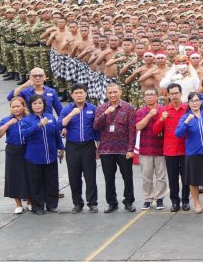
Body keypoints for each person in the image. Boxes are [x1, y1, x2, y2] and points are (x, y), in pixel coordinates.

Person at [93, 82, 138, 213]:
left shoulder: (129, 108)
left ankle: (129, 201)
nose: (112, 95)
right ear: (106, 94)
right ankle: (112, 203)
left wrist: (131, 149)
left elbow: (132, 130)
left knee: (127, 177)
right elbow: (96, 126)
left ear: (120, 92)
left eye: (115, 92)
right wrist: (106, 113)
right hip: (106, 149)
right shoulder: (101, 108)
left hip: (124, 149)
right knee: (109, 178)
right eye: (110, 92)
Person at [20, 94, 63, 214]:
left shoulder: (50, 117)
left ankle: (52, 205)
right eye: (35, 103)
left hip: (50, 155)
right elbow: (25, 134)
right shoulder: (26, 120)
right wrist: (39, 125)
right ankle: (38, 206)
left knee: (52, 181)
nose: (38, 105)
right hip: (34, 157)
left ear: (44, 104)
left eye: (40, 103)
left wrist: (61, 148)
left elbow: (56, 134)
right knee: (36, 182)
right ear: (30, 106)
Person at [60, 83, 99, 213]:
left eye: (81, 92)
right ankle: (77, 203)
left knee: (90, 175)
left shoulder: (93, 108)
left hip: (88, 146)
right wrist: (71, 114)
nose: (79, 95)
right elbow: (59, 125)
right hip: (72, 147)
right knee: (74, 176)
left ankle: (92, 203)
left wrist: (98, 148)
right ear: (72, 95)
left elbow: (97, 129)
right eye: (76, 93)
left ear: (86, 94)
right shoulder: (67, 109)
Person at [174, 91, 203, 214]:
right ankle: (196, 203)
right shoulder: (185, 117)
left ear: (201, 101)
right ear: (189, 103)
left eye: (197, 100)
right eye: (192, 101)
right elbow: (178, 134)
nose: (195, 103)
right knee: (193, 180)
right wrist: (186, 122)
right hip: (192, 153)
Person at [153, 83, 190, 211]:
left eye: (176, 93)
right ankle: (175, 202)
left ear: (181, 93)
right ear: (168, 95)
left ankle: (185, 201)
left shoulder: (187, 109)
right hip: (170, 150)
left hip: (186, 149)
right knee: (172, 178)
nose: (174, 96)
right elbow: (155, 130)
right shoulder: (163, 111)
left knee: (186, 178)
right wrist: (161, 120)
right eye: (172, 93)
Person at [0, 96, 31, 214]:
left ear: (23, 106)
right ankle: (18, 204)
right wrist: (9, 124)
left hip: (28, 149)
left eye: (18, 106)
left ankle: (30, 201)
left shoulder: (29, 118)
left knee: (29, 175)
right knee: (14, 176)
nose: (15, 109)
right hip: (13, 151)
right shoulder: (6, 119)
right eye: (13, 107)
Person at [133, 88, 167, 210]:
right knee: (146, 176)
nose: (149, 97)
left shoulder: (163, 110)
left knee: (161, 176)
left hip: (161, 148)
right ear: (143, 98)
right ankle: (148, 198)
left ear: (157, 97)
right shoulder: (140, 111)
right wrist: (149, 115)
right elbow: (138, 126)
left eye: (152, 94)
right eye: (147, 95)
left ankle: (159, 198)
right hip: (145, 149)